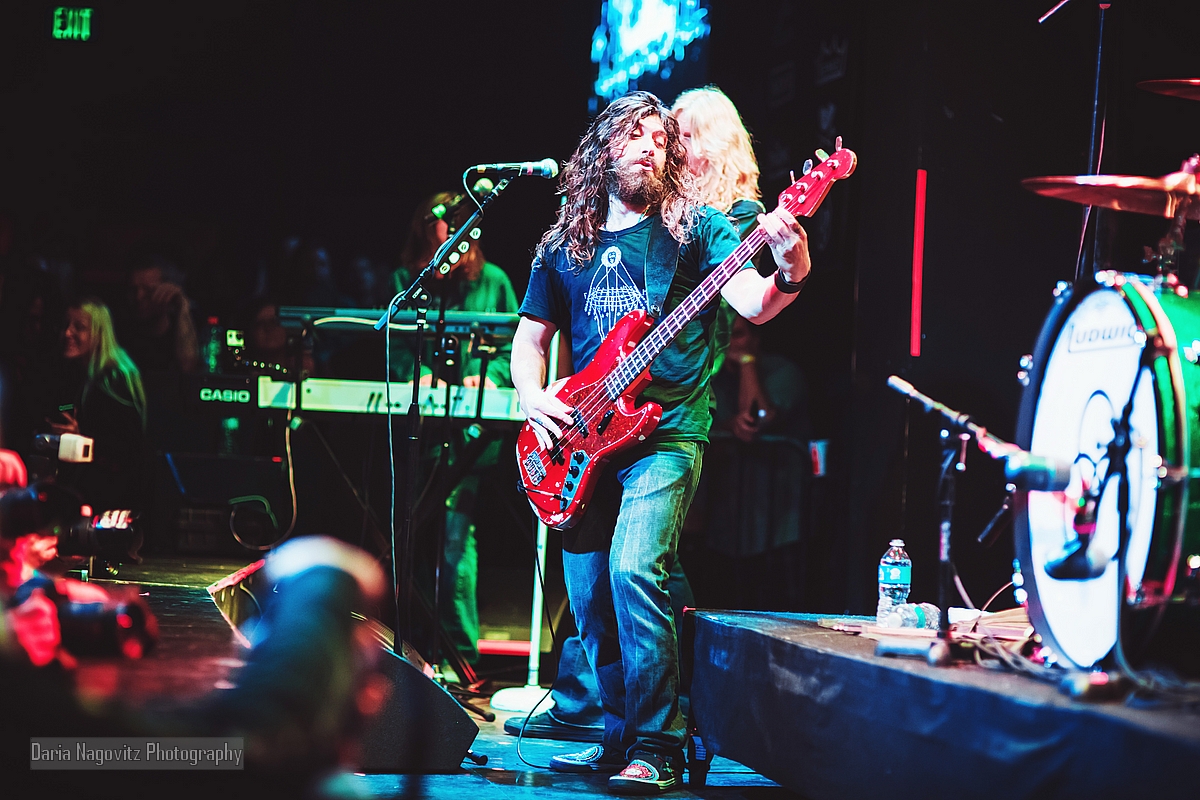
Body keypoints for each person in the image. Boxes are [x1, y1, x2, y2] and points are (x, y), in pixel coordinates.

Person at [512, 90, 810, 793]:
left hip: (665, 431)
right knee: (589, 599)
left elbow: (755, 303)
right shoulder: (564, 244)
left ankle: (660, 744)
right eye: (635, 135)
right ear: (603, 149)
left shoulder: (695, 227)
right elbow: (530, 339)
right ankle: (618, 737)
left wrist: (792, 265)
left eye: (659, 136)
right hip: (582, 441)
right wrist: (532, 395)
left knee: (634, 569)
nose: (650, 145)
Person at [391, 192, 519, 670]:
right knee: (407, 535)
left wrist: (491, 377)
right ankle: (410, 650)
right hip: (418, 430)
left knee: (453, 538)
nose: (448, 235)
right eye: (439, 226)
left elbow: (516, 343)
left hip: (469, 432)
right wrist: (417, 373)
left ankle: (459, 655)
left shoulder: (494, 281)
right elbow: (396, 345)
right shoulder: (407, 280)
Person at [46, 299, 149, 514]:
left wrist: (81, 438)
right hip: (91, 496)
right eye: (65, 325)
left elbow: (130, 448)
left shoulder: (114, 379)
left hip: (113, 503)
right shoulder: (77, 374)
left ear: (99, 333)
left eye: (79, 327)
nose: (67, 333)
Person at [120, 256, 199, 374]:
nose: (139, 297)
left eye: (148, 290)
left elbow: (187, 366)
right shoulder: (121, 328)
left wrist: (182, 306)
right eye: (133, 290)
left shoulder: (183, 327)